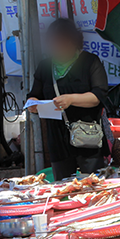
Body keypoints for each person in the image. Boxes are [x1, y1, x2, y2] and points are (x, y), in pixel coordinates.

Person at [27, 18, 110, 179]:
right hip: (57, 139)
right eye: (54, 44)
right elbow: (33, 95)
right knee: (63, 187)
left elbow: (98, 96)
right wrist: (33, 104)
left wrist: (71, 99)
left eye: (63, 43)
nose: (58, 48)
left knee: (93, 185)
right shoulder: (44, 66)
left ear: (74, 42)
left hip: (88, 137)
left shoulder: (90, 61)